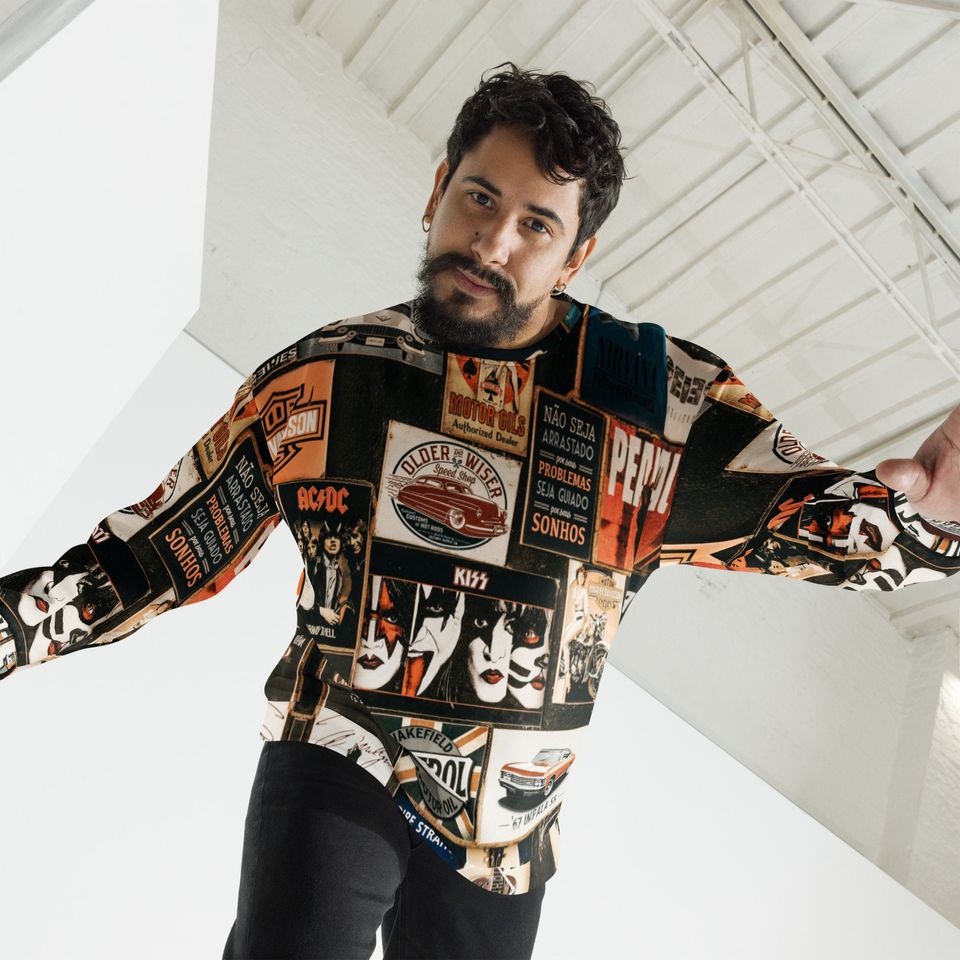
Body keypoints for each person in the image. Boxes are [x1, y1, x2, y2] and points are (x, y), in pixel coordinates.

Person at [2, 61, 959, 960]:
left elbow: (806, 522)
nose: (493, 244)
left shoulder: (657, 403)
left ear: (577, 256)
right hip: (341, 747)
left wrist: (936, 523)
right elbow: (157, 553)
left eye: (537, 225)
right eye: (480, 198)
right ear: (437, 192)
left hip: (508, 826)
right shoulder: (330, 374)